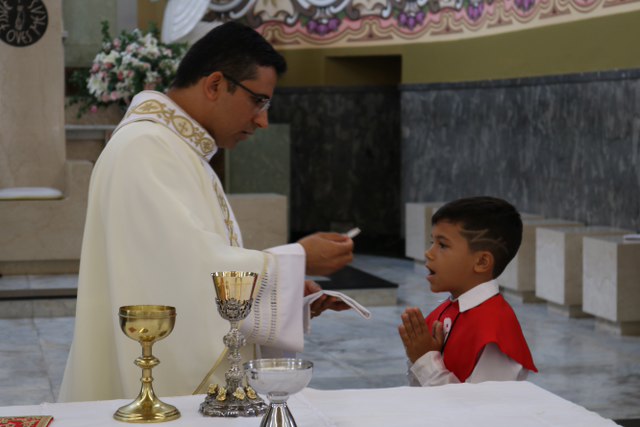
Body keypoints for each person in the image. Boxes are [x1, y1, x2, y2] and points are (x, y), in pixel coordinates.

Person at [58, 22, 353, 402]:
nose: (262, 120)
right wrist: (297, 259)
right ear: (214, 84)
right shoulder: (144, 147)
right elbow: (183, 274)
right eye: (258, 101)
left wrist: (289, 290)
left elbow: (185, 267)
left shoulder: (176, 148)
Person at [398, 196, 537, 386]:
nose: (428, 253)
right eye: (432, 242)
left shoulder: (494, 330)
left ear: (481, 262)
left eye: (442, 245)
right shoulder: (446, 311)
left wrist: (424, 360)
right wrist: (420, 356)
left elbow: (480, 403)